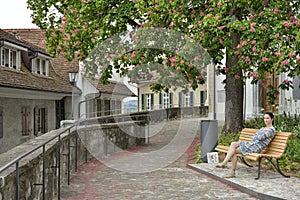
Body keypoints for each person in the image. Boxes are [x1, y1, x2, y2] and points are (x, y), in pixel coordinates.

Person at [216, 112, 276, 178]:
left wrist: (258, 136)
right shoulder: (262, 128)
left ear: (272, 119)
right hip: (252, 144)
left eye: (267, 118)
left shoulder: (271, 130)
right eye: (264, 118)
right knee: (233, 145)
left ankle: (229, 168)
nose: (265, 120)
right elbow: (254, 137)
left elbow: (260, 137)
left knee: (234, 151)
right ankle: (226, 164)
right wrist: (258, 136)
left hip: (256, 147)